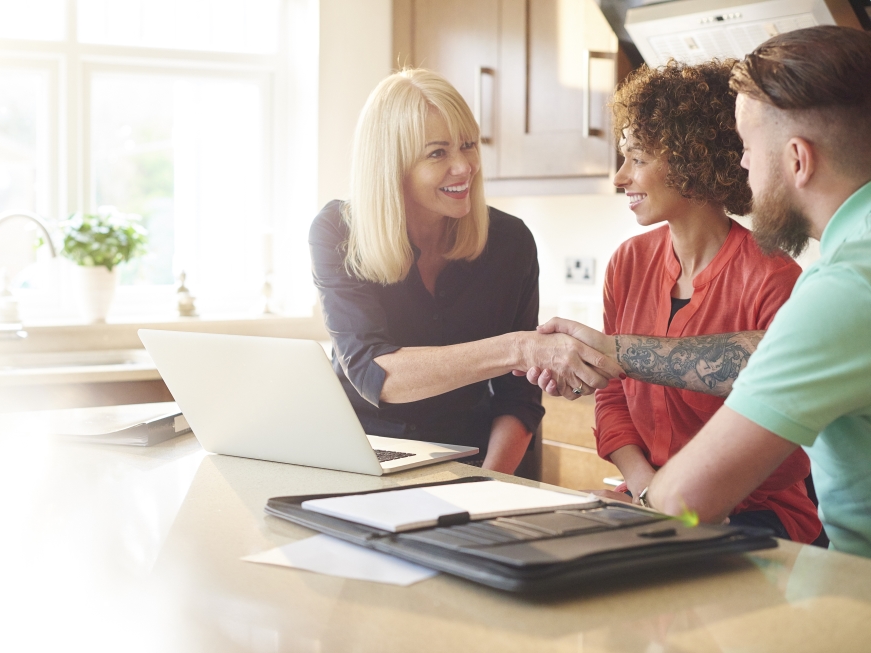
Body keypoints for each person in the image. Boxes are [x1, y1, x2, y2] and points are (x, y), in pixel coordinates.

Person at [529, 26, 871, 557]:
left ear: (798, 160)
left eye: (751, 148)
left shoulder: (844, 285)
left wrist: (619, 515)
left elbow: (688, 499)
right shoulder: (851, 270)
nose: (741, 164)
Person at [309, 69, 621, 474]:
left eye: (468, 145)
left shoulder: (510, 241)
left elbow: (518, 395)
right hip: (363, 459)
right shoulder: (338, 231)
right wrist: (519, 347)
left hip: (473, 461)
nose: (465, 167)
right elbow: (374, 372)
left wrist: (489, 482)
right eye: (438, 153)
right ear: (392, 166)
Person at [590, 59, 820, 543]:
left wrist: (668, 504)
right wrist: (645, 487)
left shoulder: (774, 277)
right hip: (652, 502)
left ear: (691, 160)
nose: (619, 177)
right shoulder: (625, 265)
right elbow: (611, 394)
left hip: (760, 516)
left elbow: (771, 428)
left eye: (638, 158)